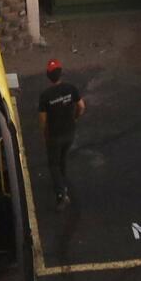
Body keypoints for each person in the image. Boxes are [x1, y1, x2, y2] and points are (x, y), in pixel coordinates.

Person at [37, 58, 85, 207]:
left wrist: (45, 135)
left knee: (53, 165)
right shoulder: (71, 89)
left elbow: (43, 120)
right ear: (61, 73)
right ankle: (62, 183)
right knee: (63, 158)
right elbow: (82, 106)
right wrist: (75, 118)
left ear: (48, 75)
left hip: (54, 135)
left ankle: (60, 194)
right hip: (69, 132)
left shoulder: (45, 96)